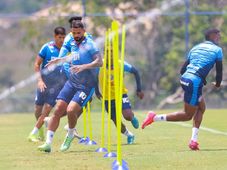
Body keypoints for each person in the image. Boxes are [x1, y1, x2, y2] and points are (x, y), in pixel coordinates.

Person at [142, 28, 223, 150]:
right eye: (218, 35)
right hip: (193, 82)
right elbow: (219, 70)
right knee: (187, 115)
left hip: (186, 79)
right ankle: (154, 118)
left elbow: (182, 70)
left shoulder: (195, 48)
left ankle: (193, 141)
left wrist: (198, 78)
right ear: (212, 36)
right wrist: (217, 83)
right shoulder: (217, 50)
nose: (219, 37)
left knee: (201, 108)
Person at [38, 21, 103, 153]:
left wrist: (83, 67)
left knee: (70, 110)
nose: (76, 35)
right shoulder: (71, 42)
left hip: (86, 85)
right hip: (72, 82)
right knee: (57, 110)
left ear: (84, 31)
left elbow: (100, 62)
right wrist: (58, 60)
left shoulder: (90, 44)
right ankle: (48, 143)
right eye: (74, 33)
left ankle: (70, 134)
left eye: (78, 33)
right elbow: (66, 56)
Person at [27, 27, 67, 142]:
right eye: (59, 37)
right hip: (43, 83)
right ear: (55, 37)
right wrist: (39, 80)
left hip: (57, 86)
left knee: (47, 109)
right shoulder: (47, 48)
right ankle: (40, 131)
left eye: (63, 37)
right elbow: (36, 64)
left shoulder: (66, 50)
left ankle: (33, 133)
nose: (62, 40)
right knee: (37, 110)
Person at [99, 49, 144, 144]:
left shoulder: (120, 64)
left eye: (112, 53)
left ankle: (132, 117)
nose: (110, 55)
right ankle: (129, 135)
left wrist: (139, 89)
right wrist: (96, 90)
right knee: (117, 122)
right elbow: (94, 77)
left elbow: (135, 71)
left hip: (121, 94)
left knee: (127, 116)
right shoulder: (99, 64)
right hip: (107, 98)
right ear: (104, 54)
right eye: (107, 53)